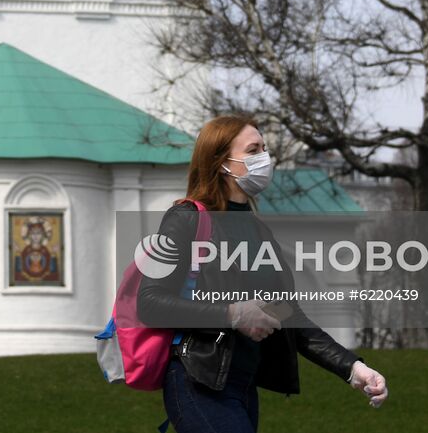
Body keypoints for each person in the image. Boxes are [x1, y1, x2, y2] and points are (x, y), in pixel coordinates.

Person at [137, 115, 388, 432]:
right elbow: (150, 303)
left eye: (264, 149)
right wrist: (233, 314)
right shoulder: (185, 218)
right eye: (253, 150)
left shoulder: (259, 231)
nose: (264, 159)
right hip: (198, 381)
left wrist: (353, 367)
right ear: (220, 161)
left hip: (242, 386)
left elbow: (287, 314)